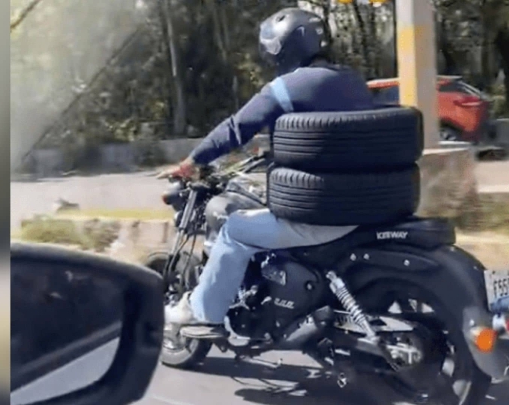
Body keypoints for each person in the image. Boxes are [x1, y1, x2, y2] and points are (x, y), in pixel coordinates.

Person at [159, 7, 376, 339]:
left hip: (322, 216)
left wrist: (192, 162)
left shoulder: (287, 87)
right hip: (367, 206)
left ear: (284, 49)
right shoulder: (354, 81)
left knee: (234, 229)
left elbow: (235, 129)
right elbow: (331, 140)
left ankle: (204, 314)